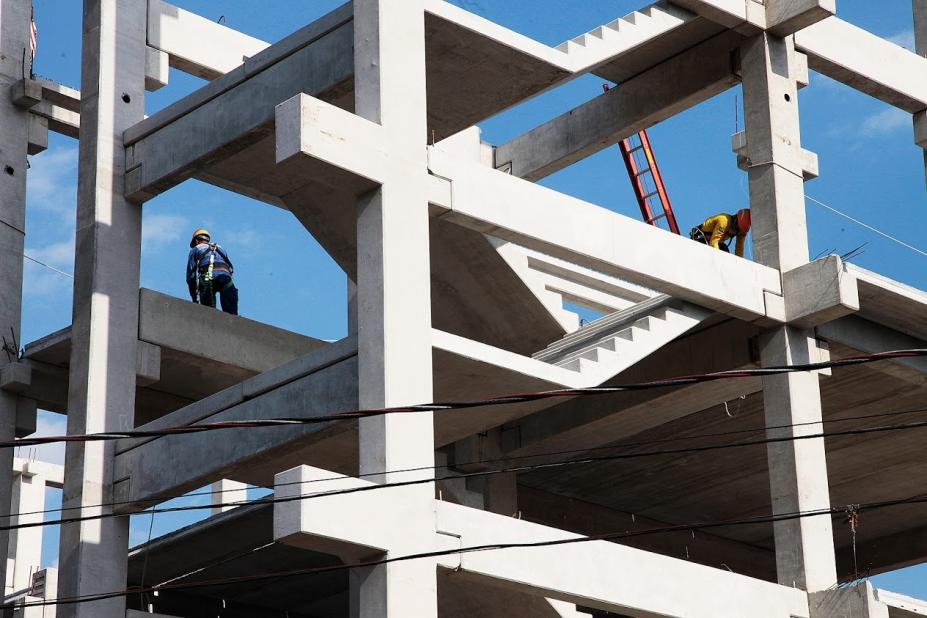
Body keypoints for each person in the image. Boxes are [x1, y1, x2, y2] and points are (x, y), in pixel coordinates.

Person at [186, 229, 239, 315]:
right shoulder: (220, 248)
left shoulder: (196, 249)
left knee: (208, 313)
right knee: (231, 314)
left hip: (208, 280)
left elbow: (191, 277)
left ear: (196, 241)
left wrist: (194, 298)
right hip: (226, 279)